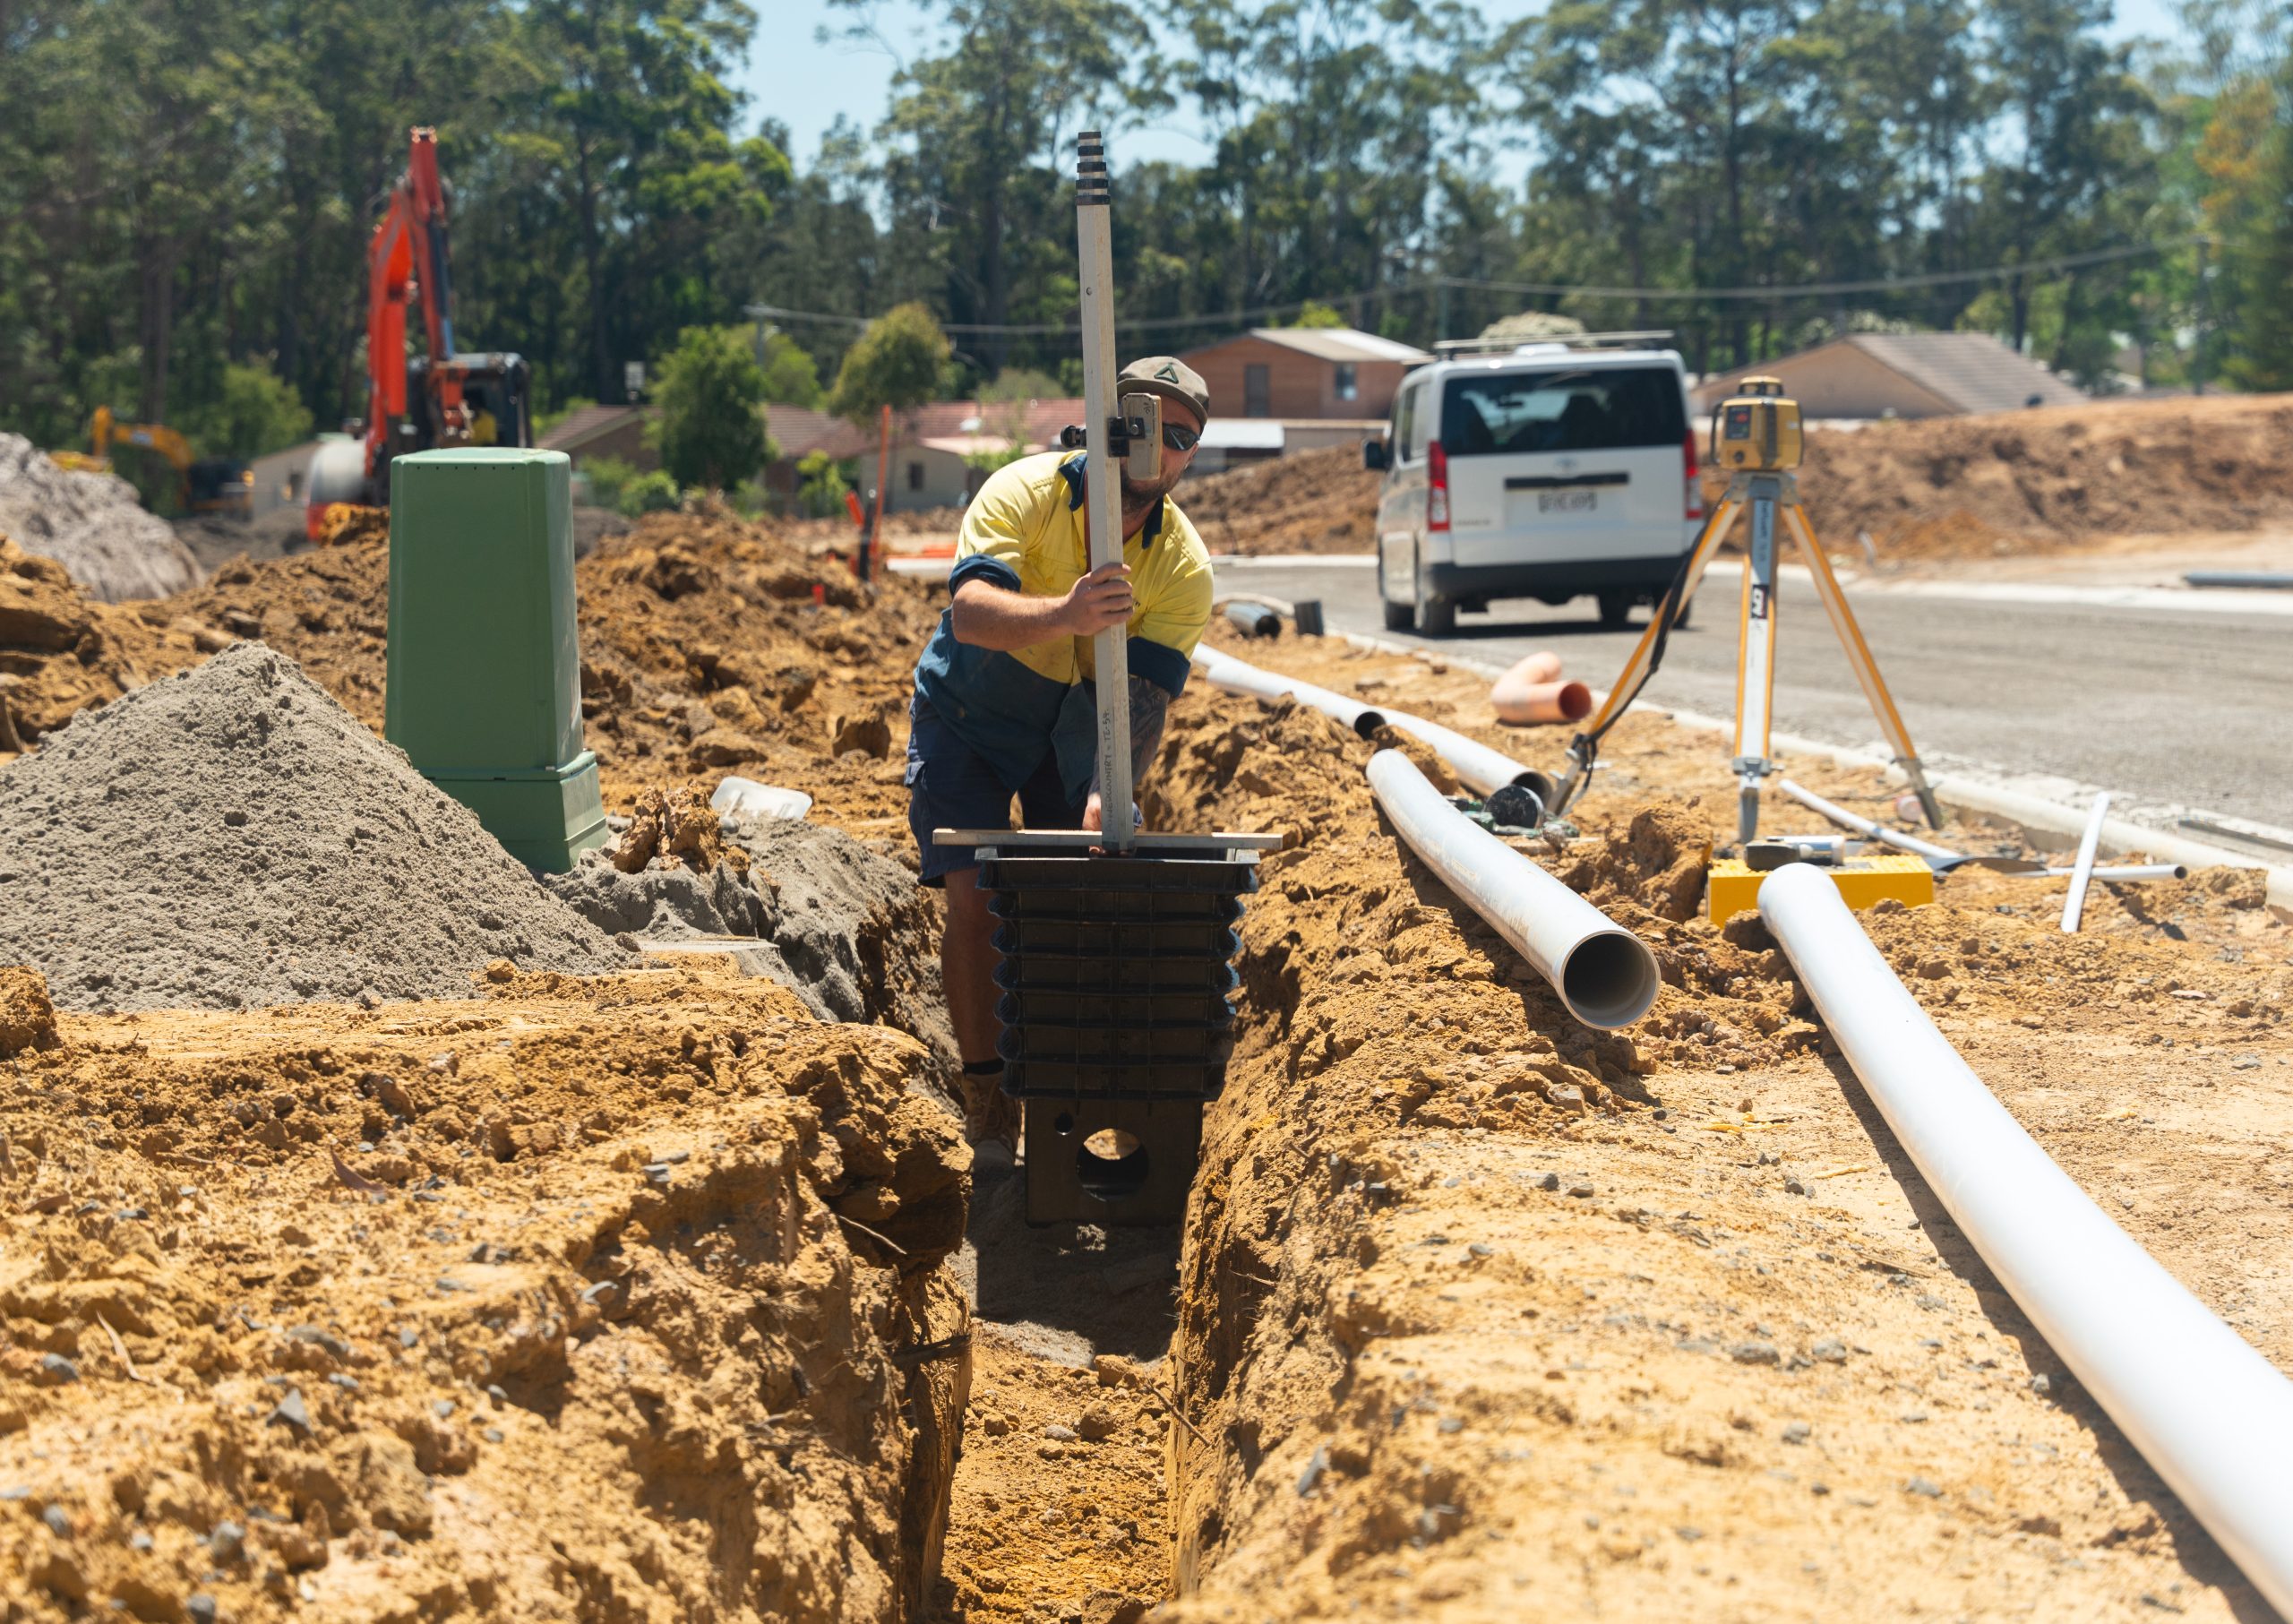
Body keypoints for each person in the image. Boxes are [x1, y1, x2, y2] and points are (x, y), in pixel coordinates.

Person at [904, 357, 1215, 1163]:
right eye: (1146, 425)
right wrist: (1069, 609)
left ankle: (1058, 1094)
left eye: (1180, 437)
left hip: (1070, 731)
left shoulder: (1182, 567)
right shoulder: (1026, 490)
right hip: (970, 710)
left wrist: (1110, 791)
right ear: (1109, 422)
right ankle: (985, 1104)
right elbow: (970, 614)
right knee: (973, 899)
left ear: (1192, 456)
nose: (1160, 448)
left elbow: (1145, 700)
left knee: (1070, 902)